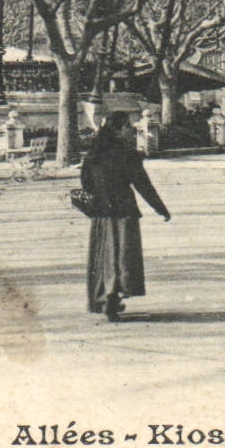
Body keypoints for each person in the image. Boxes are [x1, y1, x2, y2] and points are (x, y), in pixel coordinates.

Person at [82, 112, 171, 321]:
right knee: (122, 256)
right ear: (117, 129)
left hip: (101, 214)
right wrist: (161, 208)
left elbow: (86, 182)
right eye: (127, 126)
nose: (131, 130)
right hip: (124, 212)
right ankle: (113, 300)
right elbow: (143, 185)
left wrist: (100, 195)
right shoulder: (128, 154)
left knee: (104, 256)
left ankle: (104, 297)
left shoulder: (94, 153)